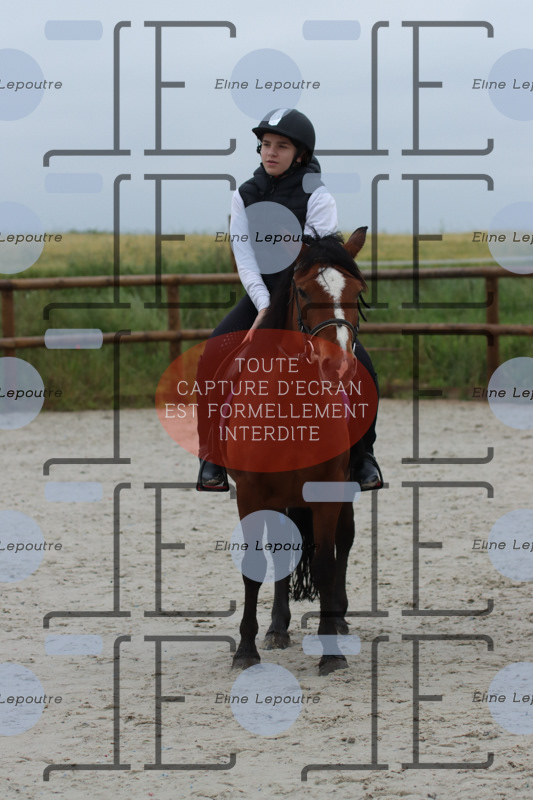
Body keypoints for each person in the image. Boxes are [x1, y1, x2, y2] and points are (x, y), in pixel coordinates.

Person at [196, 107, 382, 491]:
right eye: (266, 144)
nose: (271, 152)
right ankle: (211, 455)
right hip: (263, 293)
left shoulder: (319, 196)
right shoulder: (244, 195)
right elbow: (245, 258)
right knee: (211, 355)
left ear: (300, 154)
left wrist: (299, 294)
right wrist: (264, 304)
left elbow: (323, 261)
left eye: (281, 146)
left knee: (363, 367)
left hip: (308, 293)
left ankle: (363, 455)